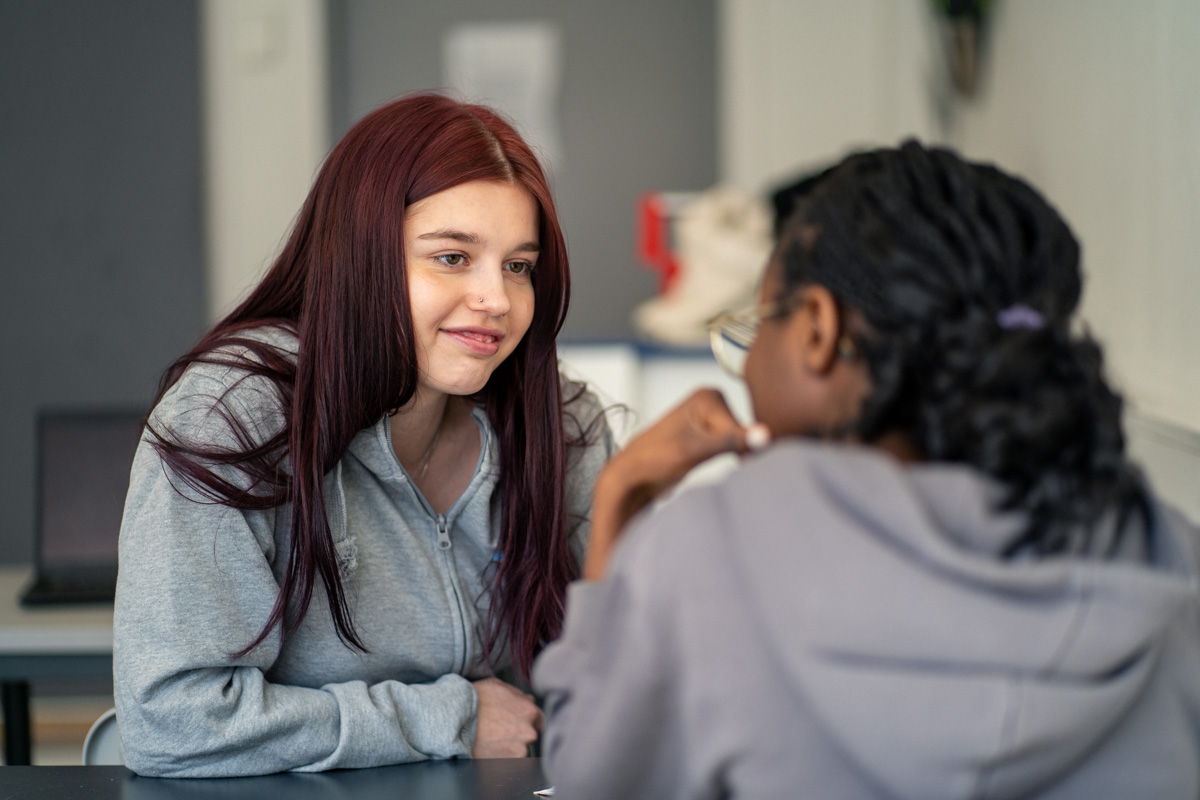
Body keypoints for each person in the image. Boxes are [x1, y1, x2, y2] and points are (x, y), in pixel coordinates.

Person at [534, 142, 1200, 799]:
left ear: (817, 332)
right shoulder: (1169, 553)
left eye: (761, 320)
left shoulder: (702, 555)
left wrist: (621, 500)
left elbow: (593, 776)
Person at [113, 93, 613, 777]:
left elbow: (621, 674)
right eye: (452, 258)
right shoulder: (231, 418)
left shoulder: (558, 418)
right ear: (361, 257)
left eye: (518, 266)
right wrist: (449, 718)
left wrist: (634, 499)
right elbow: (173, 719)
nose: (496, 299)